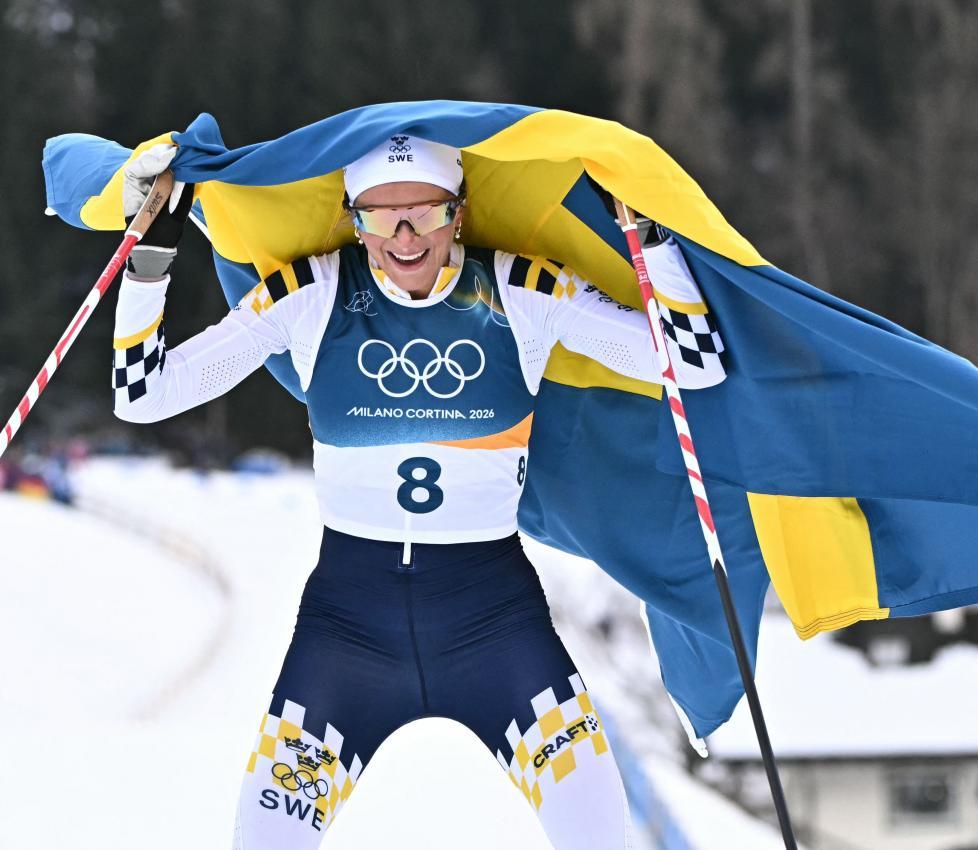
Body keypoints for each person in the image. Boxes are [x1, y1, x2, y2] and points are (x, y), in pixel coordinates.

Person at [112, 137, 725, 849]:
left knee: (598, 834)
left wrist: (650, 239)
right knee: (264, 841)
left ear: (458, 215)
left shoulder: (518, 289)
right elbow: (145, 394)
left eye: (424, 216)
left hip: (494, 626)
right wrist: (149, 253)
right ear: (352, 219)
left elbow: (691, 363)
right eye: (378, 219)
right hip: (347, 636)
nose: (403, 240)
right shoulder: (311, 291)